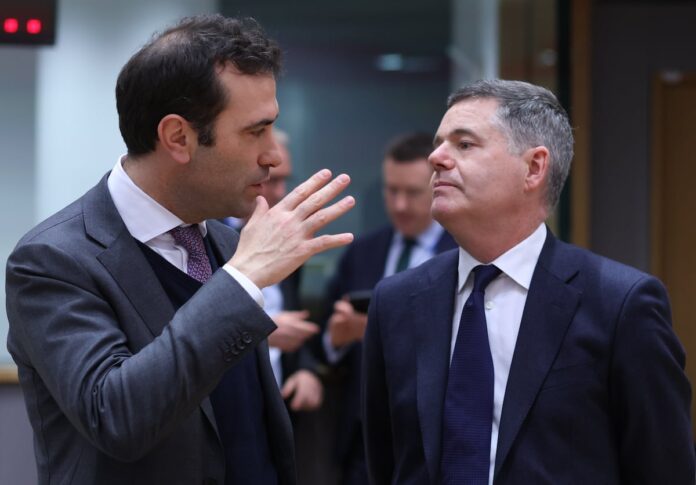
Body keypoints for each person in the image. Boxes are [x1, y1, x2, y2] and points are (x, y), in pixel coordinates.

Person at [5, 14, 355, 485]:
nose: (273, 155)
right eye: (256, 131)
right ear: (178, 138)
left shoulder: (228, 244)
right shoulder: (53, 259)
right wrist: (242, 279)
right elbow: (115, 417)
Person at [362, 79, 695, 484]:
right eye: (439, 144)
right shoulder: (397, 301)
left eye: (464, 144)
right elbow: (385, 461)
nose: (436, 158)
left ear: (534, 167)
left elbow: (663, 467)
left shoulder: (620, 304)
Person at [323, 132, 456, 484]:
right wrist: (337, 338)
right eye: (391, 190)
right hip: (362, 438)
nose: (399, 205)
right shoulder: (363, 251)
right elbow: (323, 337)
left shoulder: (465, 252)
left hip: (438, 438)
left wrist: (376, 333)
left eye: (412, 192)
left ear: (437, 186)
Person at [225, 128, 324, 412]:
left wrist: (305, 370)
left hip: (279, 407)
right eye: (272, 179)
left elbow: (291, 316)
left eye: (285, 180)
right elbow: (191, 331)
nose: (281, 192)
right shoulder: (204, 235)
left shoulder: (287, 238)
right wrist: (263, 333)